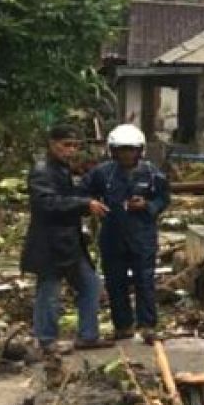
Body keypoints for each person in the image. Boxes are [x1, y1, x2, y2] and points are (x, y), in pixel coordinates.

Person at [21, 124, 115, 353]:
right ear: (52, 144)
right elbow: (47, 203)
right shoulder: (42, 171)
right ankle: (46, 340)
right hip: (49, 243)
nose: (71, 150)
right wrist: (84, 204)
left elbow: (65, 201)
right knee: (49, 290)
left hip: (69, 242)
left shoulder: (62, 170)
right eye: (66, 145)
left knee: (90, 284)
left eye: (74, 146)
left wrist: (87, 205)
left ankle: (88, 336)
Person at [82, 124, 170, 344]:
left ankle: (147, 325)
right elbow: (84, 192)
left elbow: (163, 199)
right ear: (113, 150)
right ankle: (122, 326)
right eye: (122, 150)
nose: (127, 154)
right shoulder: (102, 173)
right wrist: (92, 204)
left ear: (139, 150)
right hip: (112, 235)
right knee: (115, 281)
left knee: (145, 280)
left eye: (131, 149)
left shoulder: (152, 173)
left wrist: (148, 206)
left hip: (142, 236)